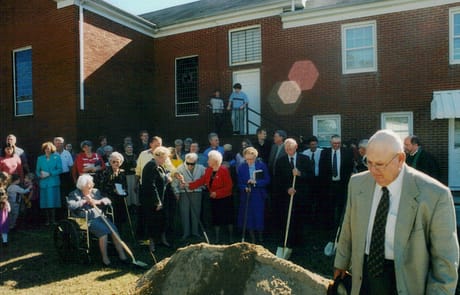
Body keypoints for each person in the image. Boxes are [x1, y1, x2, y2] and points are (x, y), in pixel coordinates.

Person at [334, 129, 459, 294]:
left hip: (407, 281)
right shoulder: (357, 184)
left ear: (400, 159)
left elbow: (445, 260)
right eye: (368, 162)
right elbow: (348, 226)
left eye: (379, 164)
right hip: (365, 276)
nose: (372, 170)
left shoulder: (435, 195)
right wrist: (341, 262)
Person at [67, 174, 128, 267]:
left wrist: (97, 202)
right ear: (83, 185)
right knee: (103, 232)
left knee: (114, 230)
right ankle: (105, 258)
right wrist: (84, 201)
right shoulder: (75, 194)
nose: (92, 185)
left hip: (101, 216)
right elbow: (71, 206)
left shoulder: (96, 192)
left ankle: (122, 255)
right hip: (88, 219)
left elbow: (108, 200)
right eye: (90, 184)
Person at [186, 150, 234, 244]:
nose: (207, 161)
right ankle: (217, 238)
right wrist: (188, 185)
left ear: (215, 160)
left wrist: (217, 193)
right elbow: (201, 181)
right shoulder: (208, 170)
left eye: (209, 159)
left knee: (228, 218)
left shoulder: (224, 170)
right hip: (214, 199)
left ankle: (231, 237)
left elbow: (229, 186)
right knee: (216, 218)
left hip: (225, 199)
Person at [273, 138, 313, 246]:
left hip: (301, 196)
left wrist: (300, 174)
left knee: (300, 219)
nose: (289, 151)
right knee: (288, 219)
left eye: (290, 149)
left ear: (296, 147)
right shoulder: (280, 161)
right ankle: (288, 241)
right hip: (287, 197)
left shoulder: (305, 159)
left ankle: (300, 242)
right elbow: (277, 180)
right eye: (286, 149)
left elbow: (311, 176)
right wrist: (287, 189)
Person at [140, 146, 173, 252]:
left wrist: (167, 179)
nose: (166, 159)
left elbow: (162, 179)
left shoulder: (160, 166)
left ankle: (162, 240)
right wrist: (157, 201)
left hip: (162, 198)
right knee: (152, 222)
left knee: (163, 220)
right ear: (159, 156)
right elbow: (150, 185)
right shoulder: (151, 166)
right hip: (151, 200)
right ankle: (151, 244)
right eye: (165, 157)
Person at [319, 134, 354, 230]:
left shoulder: (347, 153)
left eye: (338, 143)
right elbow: (322, 170)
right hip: (329, 185)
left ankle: (341, 226)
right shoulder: (324, 153)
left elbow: (350, 168)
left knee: (341, 206)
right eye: (334, 143)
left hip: (342, 184)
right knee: (329, 206)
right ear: (330, 143)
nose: (336, 145)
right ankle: (329, 227)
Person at [237, 147, 270, 243]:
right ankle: (252, 238)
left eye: (251, 159)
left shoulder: (261, 165)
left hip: (258, 194)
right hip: (247, 195)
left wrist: (256, 182)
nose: (249, 161)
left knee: (259, 215)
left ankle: (260, 237)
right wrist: (244, 187)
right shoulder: (242, 167)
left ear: (255, 157)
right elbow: (239, 183)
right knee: (249, 217)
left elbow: (267, 180)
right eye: (247, 159)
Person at [173, 152, 206, 240]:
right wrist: (176, 192)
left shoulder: (201, 168)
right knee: (184, 212)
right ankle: (186, 233)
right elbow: (175, 182)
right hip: (184, 192)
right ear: (185, 161)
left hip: (197, 192)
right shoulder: (179, 168)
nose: (190, 165)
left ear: (196, 161)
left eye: (192, 164)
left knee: (196, 212)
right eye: (188, 163)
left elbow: (205, 180)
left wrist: (202, 186)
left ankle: (195, 232)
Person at [98, 152, 128, 235]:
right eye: (113, 161)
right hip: (109, 197)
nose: (115, 163)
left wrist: (124, 192)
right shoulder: (106, 172)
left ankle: (119, 233)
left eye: (117, 161)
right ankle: (111, 233)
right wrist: (113, 191)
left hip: (120, 197)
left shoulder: (122, 172)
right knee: (113, 212)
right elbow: (102, 187)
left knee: (121, 214)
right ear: (110, 162)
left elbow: (125, 187)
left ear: (121, 162)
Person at [36, 142, 63, 225]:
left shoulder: (56, 157)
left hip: (53, 182)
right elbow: (37, 170)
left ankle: (53, 220)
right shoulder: (40, 158)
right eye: (45, 148)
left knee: (53, 202)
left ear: (52, 149)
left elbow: (60, 169)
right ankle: (47, 221)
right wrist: (40, 176)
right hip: (43, 183)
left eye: (48, 148)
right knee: (45, 202)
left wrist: (50, 173)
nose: (47, 150)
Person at [301, 135, 323, 225]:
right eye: (312, 144)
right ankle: (309, 217)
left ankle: (318, 218)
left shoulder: (322, 152)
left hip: (319, 179)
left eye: (315, 144)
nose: (313, 146)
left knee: (319, 199)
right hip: (309, 180)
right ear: (309, 145)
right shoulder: (305, 153)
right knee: (309, 198)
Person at [53, 137, 74, 217]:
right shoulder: (52, 154)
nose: (59, 145)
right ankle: (58, 215)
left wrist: (72, 178)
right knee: (57, 195)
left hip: (65, 176)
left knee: (65, 195)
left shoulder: (67, 153)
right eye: (57, 143)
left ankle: (66, 214)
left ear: (63, 144)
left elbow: (71, 166)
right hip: (55, 176)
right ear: (54, 144)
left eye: (61, 143)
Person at [120, 143, 138, 208]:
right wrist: (129, 169)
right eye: (128, 147)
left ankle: (134, 204)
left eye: (131, 147)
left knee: (134, 190)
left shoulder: (135, 155)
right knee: (128, 190)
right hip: (126, 176)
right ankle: (128, 205)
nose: (130, 149)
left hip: (134, 176)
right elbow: (121, 166)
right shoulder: (122, 156)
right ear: (125, 148)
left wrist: (135, 168)